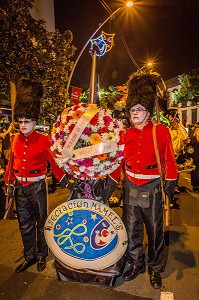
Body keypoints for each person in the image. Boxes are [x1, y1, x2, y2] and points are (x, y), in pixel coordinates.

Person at [121, 71, 178, 289]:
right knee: (132, 229)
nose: (134, 113)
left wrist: (169, 188)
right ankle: (135, 263)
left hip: (153, 187)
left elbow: (170, 162)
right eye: (132, 109)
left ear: (148, 112)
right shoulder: (125, 134)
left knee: (155, 231)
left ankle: (154, 268)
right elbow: (117, 160)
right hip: (131, 187)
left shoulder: (161, 131)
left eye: (139, 109)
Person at [4, 79, 68, 273]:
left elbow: (55, 163)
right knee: (24, 224)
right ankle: (30, 256)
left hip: (37, 186)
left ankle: (42, 255)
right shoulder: (14, 139)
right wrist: (9, 182)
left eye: (27, 121)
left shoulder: (43, 140)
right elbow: (11, 163)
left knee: (41, 223)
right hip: (20, 188)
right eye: (20, 121)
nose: (22, 125)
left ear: (34, 121)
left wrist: (66, 181)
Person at [189, 127, 199, 191]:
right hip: (195, 157)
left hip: (196, 156)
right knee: (195, 170)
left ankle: (196, 184)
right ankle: (195, 184)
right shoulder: (194, 139)